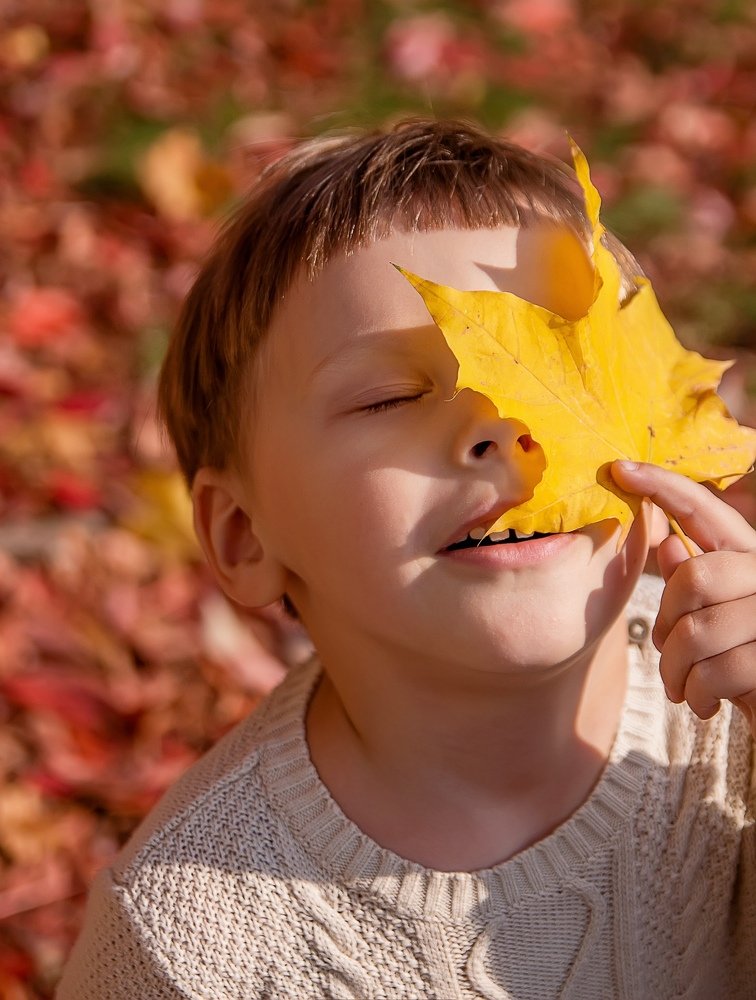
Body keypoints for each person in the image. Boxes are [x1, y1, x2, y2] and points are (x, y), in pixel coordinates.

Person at [57, 118, 756, 999]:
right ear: (243, 535)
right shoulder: (186, 942)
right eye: (392, 395)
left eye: (567, 376)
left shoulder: (736, 716)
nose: (505, 427)